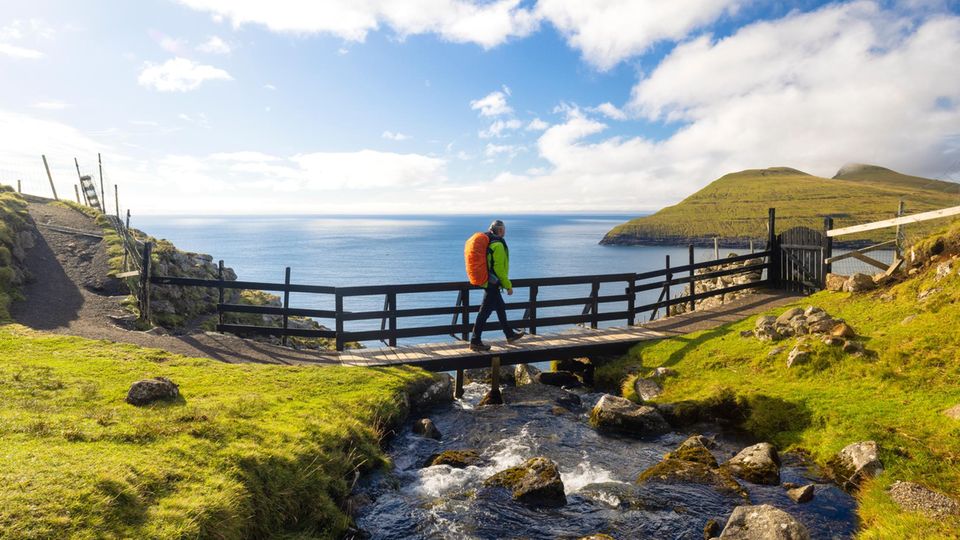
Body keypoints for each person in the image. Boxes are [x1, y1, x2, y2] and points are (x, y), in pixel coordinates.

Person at [470, 219, 525, 351]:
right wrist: (508, 286)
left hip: (489, 282)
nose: (505, 231)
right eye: (503, 229)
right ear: (500, 230)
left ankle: (509, 334)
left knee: (500, 308)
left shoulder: (490, 242)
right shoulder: (498, 245)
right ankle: (475, 341)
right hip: (493, 284)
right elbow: (499, 268)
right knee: (484, 313)